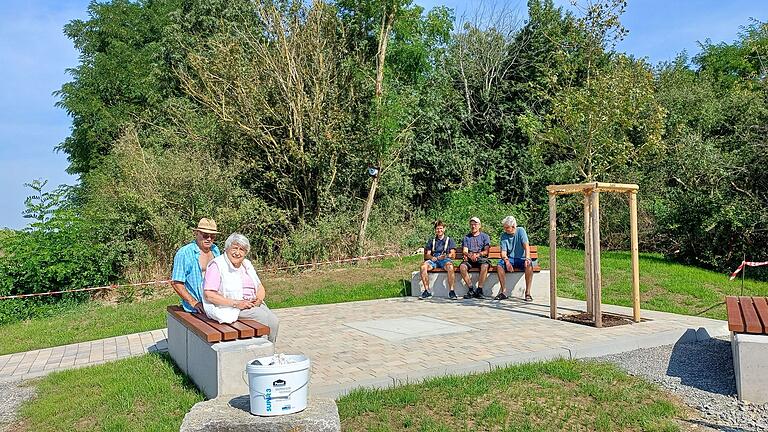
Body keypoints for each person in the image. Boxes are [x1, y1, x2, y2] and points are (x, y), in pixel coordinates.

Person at [202, 233, 280, 343]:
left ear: (246, 253)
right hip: (230, 306)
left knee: (273, 321)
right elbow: (209, 294)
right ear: (227, 248)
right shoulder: (217, 265)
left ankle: (269, 351)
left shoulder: (246, 264)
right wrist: (237, 303)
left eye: (242, 250)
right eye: (234, 248)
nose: (237, 253)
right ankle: (260, 354)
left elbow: (260, 286)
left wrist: (258, 300)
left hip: (252, 303)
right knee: (261, 317)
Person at [171, 218, 221, 314]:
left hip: (215, 305)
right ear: (197, 233)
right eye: (205, 235)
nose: (209, 239)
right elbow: (176, 283)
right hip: (196, 309)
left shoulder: (215, 250)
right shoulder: (184, 253)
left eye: (213, 236)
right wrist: (194, 302)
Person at [494, 216, 534, 301]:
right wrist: (507, 262)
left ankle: (528, 293)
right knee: (499, 265)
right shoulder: (504, 235)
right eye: (504, 227)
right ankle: (503, 292)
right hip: (510, 259)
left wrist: (527, 258)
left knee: (529, 265)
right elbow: (503, 253)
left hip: (522, 258)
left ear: (513, 227)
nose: (505, 229)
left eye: (506, 227)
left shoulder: (521, 231)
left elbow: (526, 246)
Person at [418, 220, 458, 299]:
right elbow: (428, 254)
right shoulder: (432, 240)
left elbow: (453, 255)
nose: (439, 230)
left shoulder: (449, 240)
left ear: (444, 229)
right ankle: (427, 291)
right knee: (423, 267)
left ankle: (452, 291)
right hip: (434, 260)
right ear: (435, 230)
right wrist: (432, 257)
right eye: (437, 229)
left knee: (450, 267)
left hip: (445, 259)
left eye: (440, 228)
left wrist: (445, 256)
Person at [460, 216, 491, 299]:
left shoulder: (485, 236)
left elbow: (486, 251)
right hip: (470, 258)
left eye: (475, 224)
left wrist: (477, 255)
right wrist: (470, 255)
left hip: (481, 258)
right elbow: (465, 251)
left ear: (479, 225)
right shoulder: (467, 237)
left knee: (485, 266)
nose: (473, 226)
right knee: (462, 267)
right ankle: (471, 289)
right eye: (472, 224)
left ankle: (479, 290)